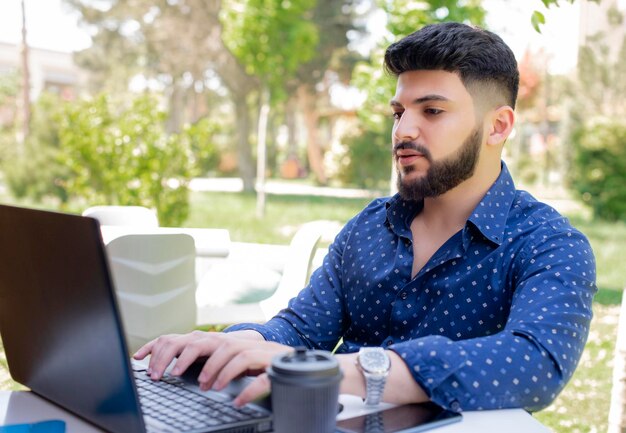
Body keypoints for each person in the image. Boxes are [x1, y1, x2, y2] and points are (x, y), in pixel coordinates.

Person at [135, 22, 597, 413]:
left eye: (431, 111)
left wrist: (349, 370)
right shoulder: (370, 227)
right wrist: (235, 344)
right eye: (399, 112)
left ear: (498, 126)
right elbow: (298, 330)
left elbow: (536, 361)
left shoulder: (548, 243)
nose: (404, 130)